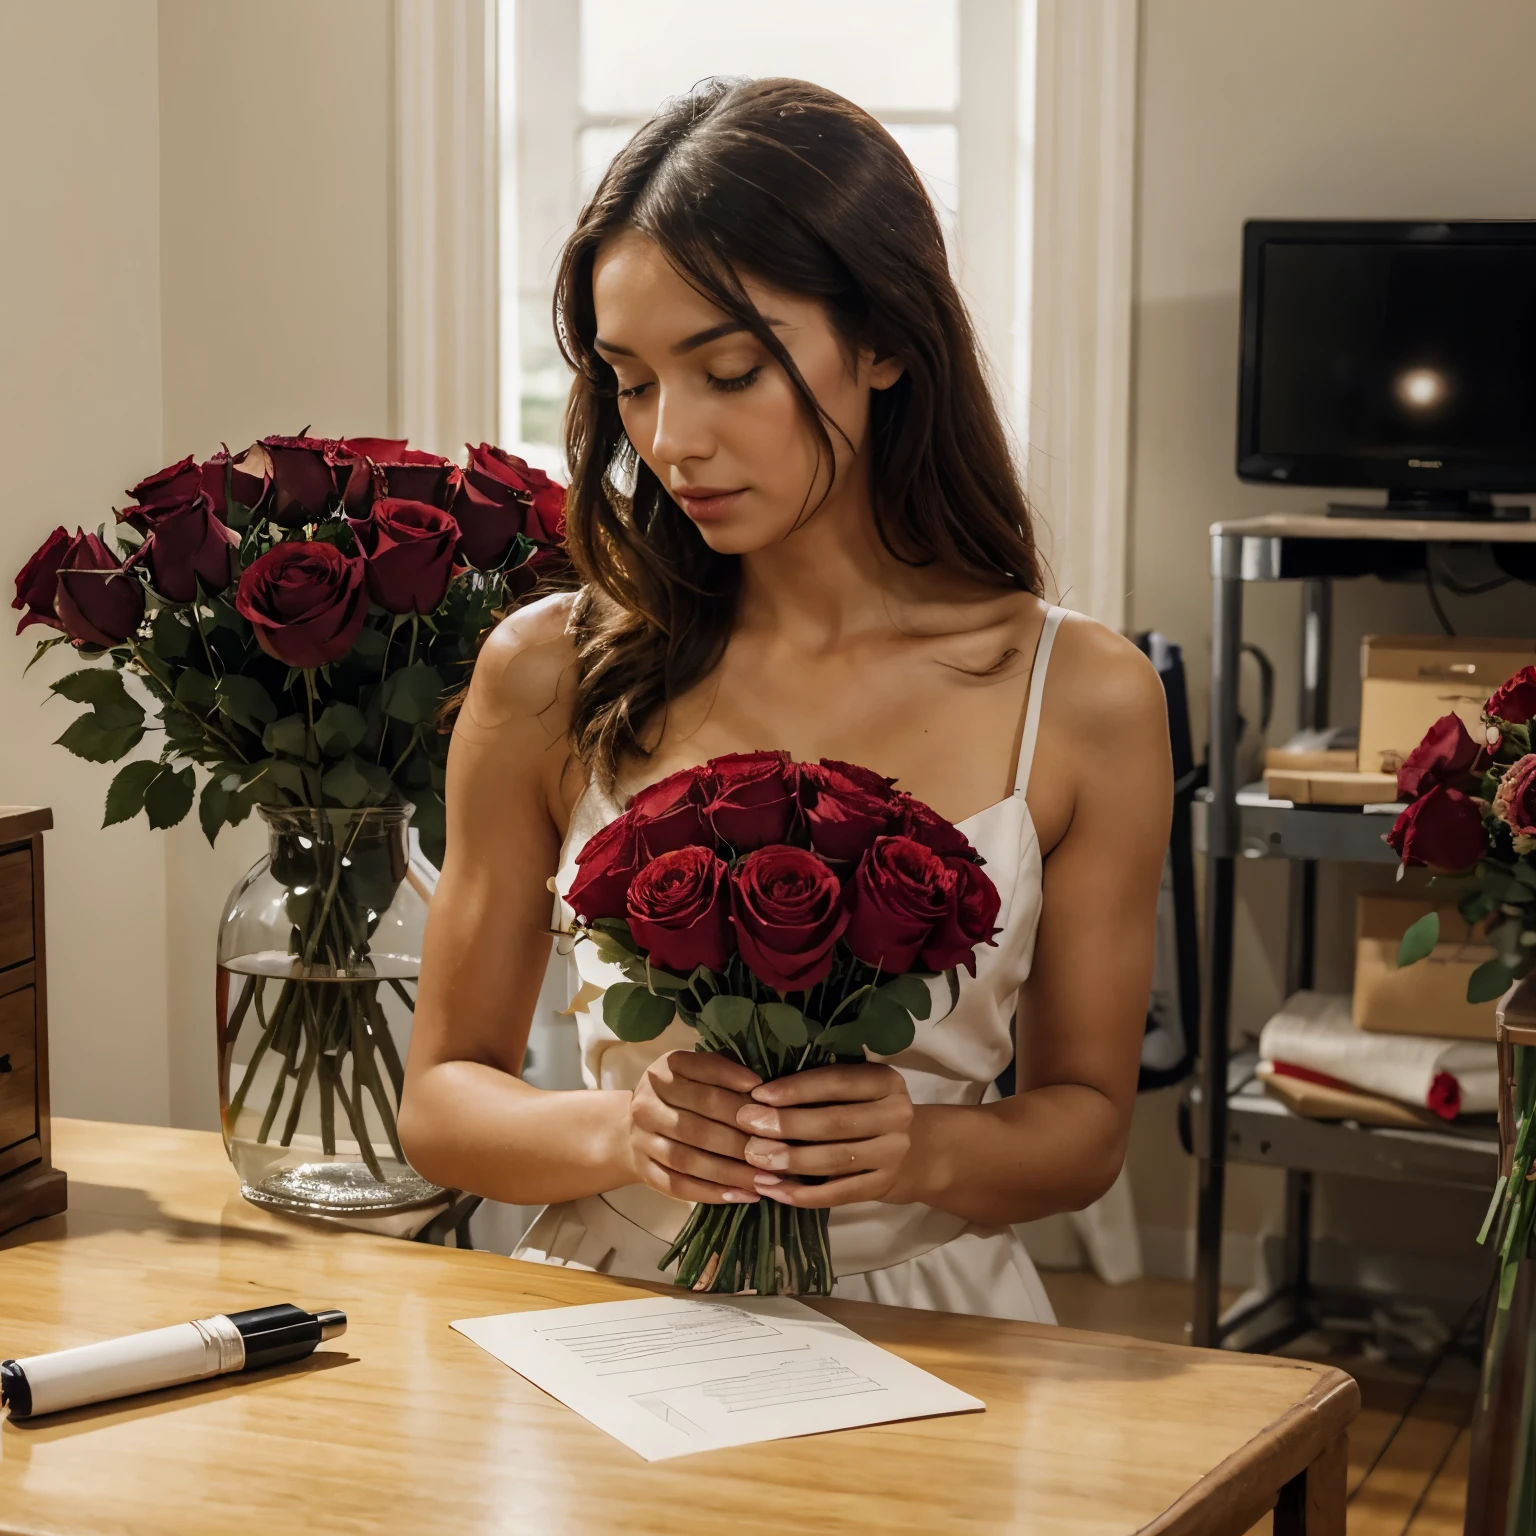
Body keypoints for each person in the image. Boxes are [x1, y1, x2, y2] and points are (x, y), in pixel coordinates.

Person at [400, 77, 1171, 1322]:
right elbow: (441, 1098)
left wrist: (924, 1151)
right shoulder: (549, 670)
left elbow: (1084, 1128)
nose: (671, 440)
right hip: (609, 1322)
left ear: (883, 343)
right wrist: (622, 1134)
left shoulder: (1082, 696)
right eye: (633, 381)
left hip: (940, 1324)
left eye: (730, 371)